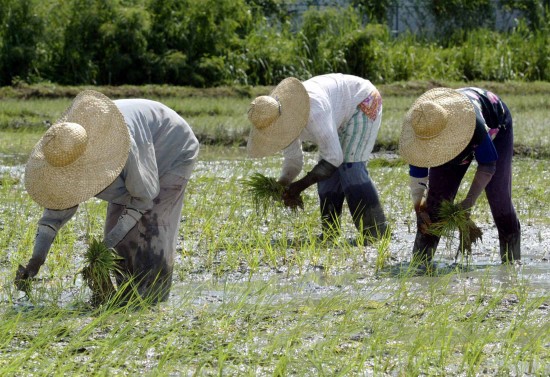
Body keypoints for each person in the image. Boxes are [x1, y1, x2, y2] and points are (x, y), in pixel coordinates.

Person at [15, 90, 199, 303]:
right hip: (140, 148)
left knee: (151, 226)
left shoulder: (121, 146)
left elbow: (143, 198)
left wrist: (106, 245)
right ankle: (126, 297)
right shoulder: (65, 149)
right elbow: (53, 216)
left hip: (172, 148)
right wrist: (36, 260)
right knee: (118, 230)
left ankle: (152, 299)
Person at [246, 73, 388, 242]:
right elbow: (294, 160)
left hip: (361, 101)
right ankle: (330, 233)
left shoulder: (314, 111)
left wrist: (299, 187)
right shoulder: (278, 124)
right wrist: (283, 185)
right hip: (338, 110)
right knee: (326, 173)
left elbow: (334, 158)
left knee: (350, 167)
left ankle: (376, 232)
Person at [399, 87, 520, 264]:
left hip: (495, 124)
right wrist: (420, 208)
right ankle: (419, 264)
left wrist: (468, 204)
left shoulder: (472, 122)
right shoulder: (420, 131)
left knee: (499, 198)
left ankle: (512, 261)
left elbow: (488, 165)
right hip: (451, 131)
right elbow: (418, 178)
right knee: (433, 207)